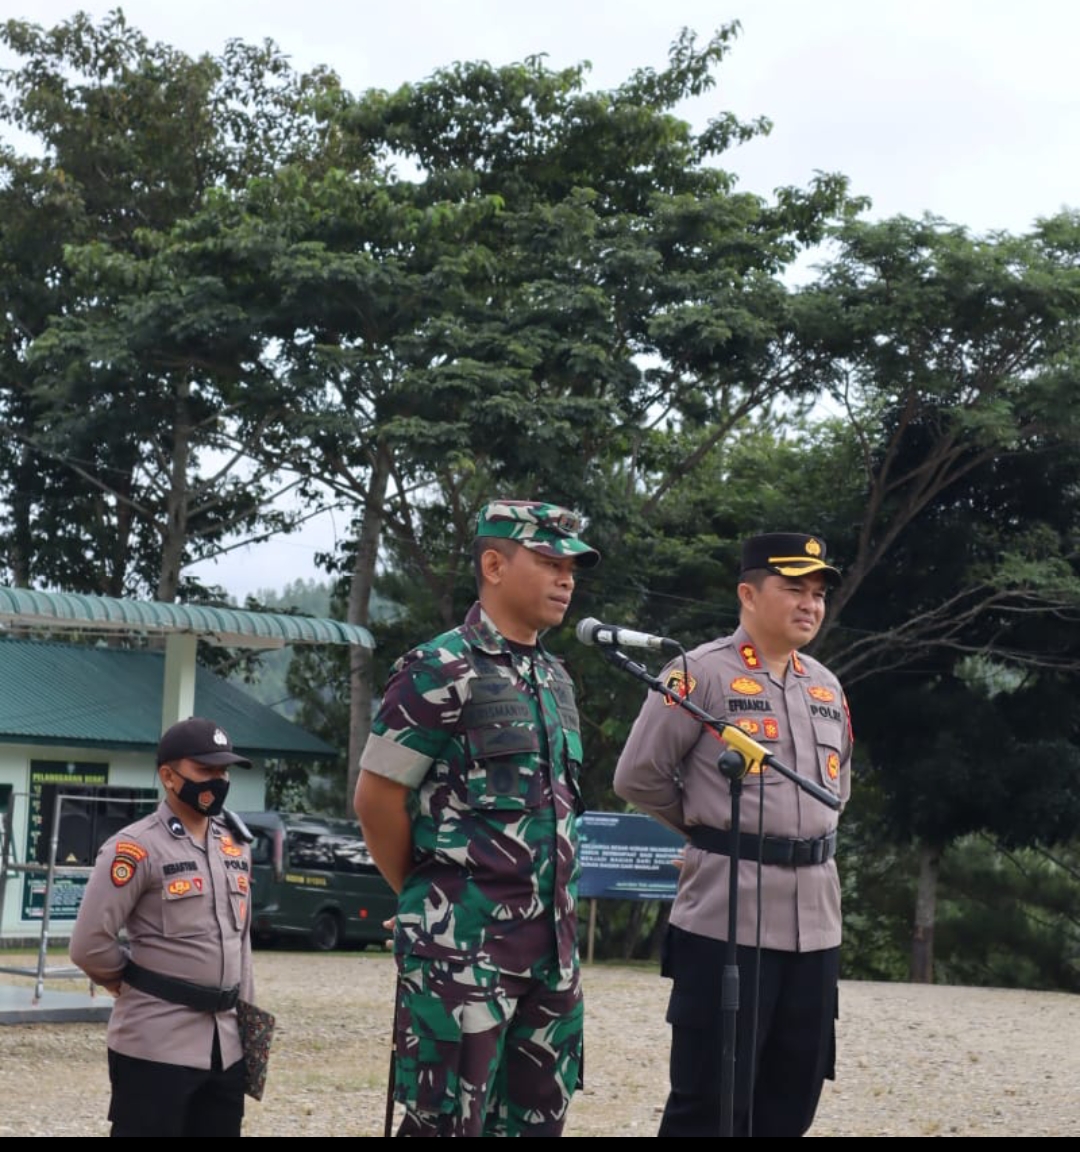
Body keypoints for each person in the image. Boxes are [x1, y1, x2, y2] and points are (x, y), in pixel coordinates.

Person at [354, 498, 601, 1137]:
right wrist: (423, 894)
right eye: (548, 562)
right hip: (464, 952)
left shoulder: (555, 678)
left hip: (553, 952)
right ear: (494, 563)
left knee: (537, 1123)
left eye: (571, 566)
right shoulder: (438, 668)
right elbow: (376, 799)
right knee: (445, 1124)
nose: (566, 579)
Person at [613, 532, 853, 1138]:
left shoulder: (826, 685)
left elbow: (836, 793)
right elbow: (639, 776)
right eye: (793, 588)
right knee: (710, 1104)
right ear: (748, 593)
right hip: (728, 916)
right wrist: (713, 831)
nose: (810, 604)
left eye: (818, 593)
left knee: (793, 1093)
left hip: (816, 923)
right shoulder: (698, 674)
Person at [69, 716, 257, 1138]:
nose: (218, 780)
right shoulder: (135, 848)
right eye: (205, 770)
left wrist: (247, 1032)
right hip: (156, 1043)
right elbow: (88, 944)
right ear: (168, 776)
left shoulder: (235, 845)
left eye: (224, 771)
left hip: (224, 1047)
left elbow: (241, 944)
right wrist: (128, 983)